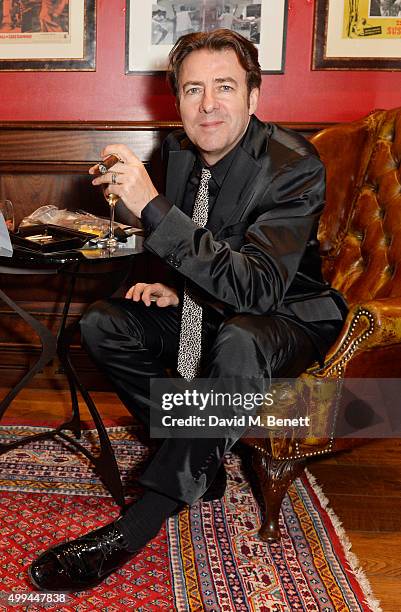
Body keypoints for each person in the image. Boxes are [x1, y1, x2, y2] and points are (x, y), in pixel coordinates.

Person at [28, 29, 347, 593]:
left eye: (225, 87)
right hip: (217, 303)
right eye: (192, 88)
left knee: (241, 339)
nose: (208, 104)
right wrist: (173, 286)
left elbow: (260, 287)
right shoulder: (176, 151)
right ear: (175, 98)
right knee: (104, 323)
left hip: (291, 314)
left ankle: (138, 524)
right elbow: (200, 242)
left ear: (254, 96)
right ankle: (205, 464)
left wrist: (152, 206)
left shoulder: (294, 164)